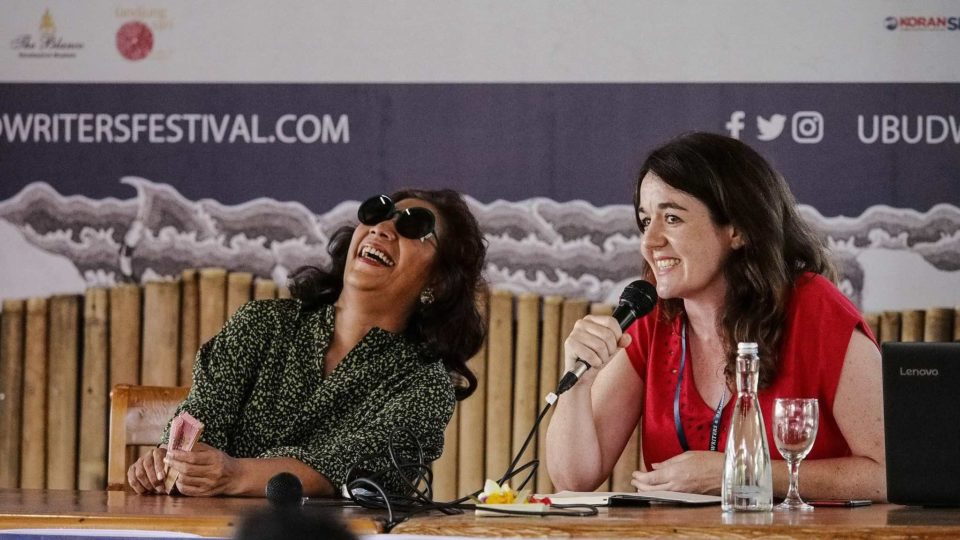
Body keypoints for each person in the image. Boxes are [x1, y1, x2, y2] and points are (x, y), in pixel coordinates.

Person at [545, 132, 886, 501]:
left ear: (737, 229)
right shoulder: (651, 319)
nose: (649, 241)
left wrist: (739, 473)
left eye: (672, 218)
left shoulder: (815, 307)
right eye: (645, 221)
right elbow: (573, 480)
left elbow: (888, 474)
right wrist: (578, 386)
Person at [127, 188, 487, 497]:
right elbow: (200, 421)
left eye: (414, 226)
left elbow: (345, 470)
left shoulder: (423, 384)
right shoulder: (261, 325)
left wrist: (233, 474)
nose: (383, 228)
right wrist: (169, 463)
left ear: (438, 282)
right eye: (377, 214)